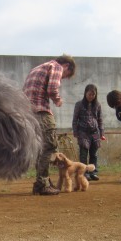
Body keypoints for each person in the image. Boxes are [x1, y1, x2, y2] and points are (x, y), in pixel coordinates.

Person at [23, 54, 76, 195]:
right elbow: (52, 89)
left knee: (40, 148)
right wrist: (57, 100)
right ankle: (43, 184)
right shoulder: (56, 66)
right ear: (66, 66)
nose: (62, 78)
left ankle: (41, 182)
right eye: (65, 75)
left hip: (28, 112)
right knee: (49, 146)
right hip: (41, 111)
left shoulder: (37, 68)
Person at [72, 84, 106, 181]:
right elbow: (75, 119)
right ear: (85, 93)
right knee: (83, 154)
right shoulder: (79, 104)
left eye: (93, 94)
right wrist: (75, 131)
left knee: (94, 154)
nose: (91, 96)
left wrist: (102, 132)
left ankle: (93, 173)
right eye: (89, 94)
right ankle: (84, 173)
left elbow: (100, 119)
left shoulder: (98, 105)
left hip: (95, 132)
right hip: (83, 132)